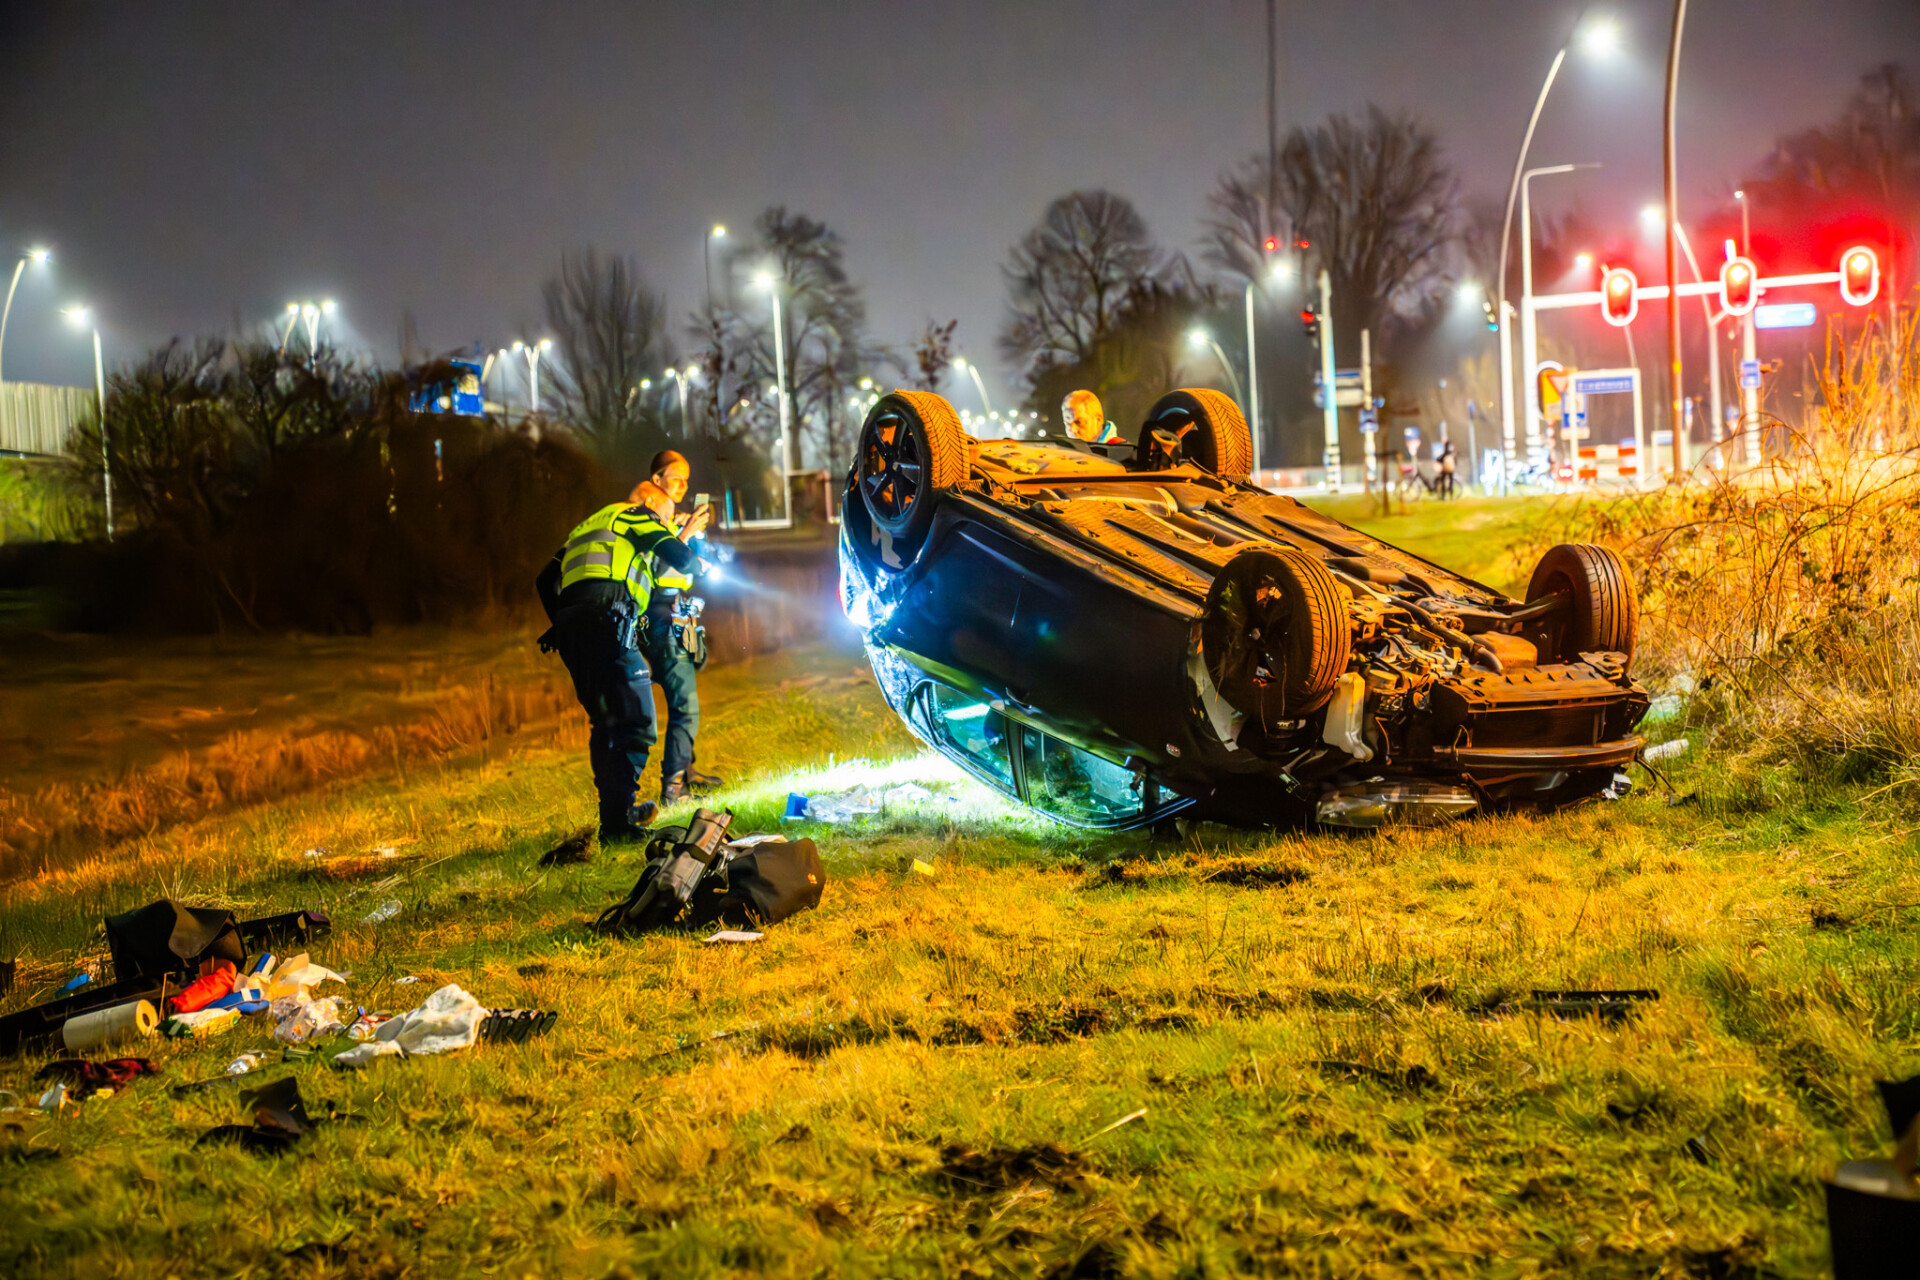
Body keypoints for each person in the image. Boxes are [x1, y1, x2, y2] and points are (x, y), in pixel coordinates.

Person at [534, 483, 703, 845]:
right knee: (637, 720)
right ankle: (619, 824)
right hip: (608, 617)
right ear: (649, 501)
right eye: (666, 515)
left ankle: (616, 817)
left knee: (607, 723)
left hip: (572, 625)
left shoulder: (588, 525)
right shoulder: (636, 515)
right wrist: (689, 546)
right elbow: (682, 559)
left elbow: (545, 579)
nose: (666, 521)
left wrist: (558, 623)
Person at [632, 450, 723, 804]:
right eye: (675, 478)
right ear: (656, 480)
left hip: (676, 613)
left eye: (687, 479)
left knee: (682, 698)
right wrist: (683, 533)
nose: (683, 486)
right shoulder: (647, 518)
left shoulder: (670, 521)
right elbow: (656, 568)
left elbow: (694, 563)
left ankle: (686, 769)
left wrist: (693, 533)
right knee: (684, 703)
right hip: (658, 615)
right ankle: (674, 788)